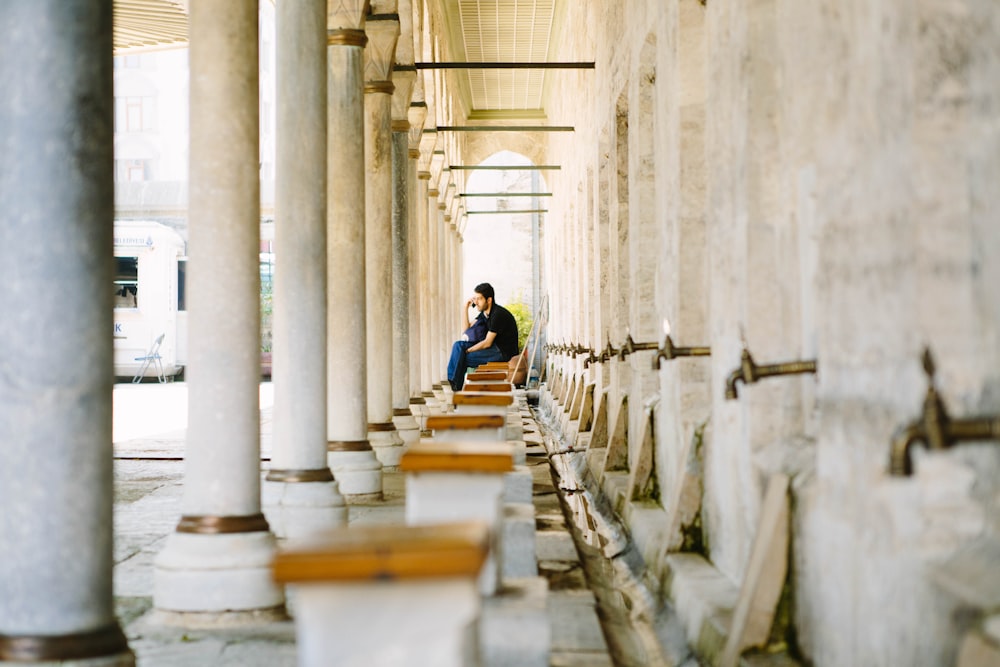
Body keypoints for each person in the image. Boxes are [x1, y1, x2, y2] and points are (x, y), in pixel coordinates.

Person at [446, 282, 519, 391]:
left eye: (479, 299)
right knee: (458, 345)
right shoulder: (484, 313)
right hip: (492, 347)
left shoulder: (498, 314)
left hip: (502, 351)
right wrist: (465, 308)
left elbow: (487, 342)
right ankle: (452, 383)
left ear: (488, 300)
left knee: (463, 357)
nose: (476, 302)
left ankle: (455, 387)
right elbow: (466, 329)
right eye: (475, 299)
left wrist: (469, 350)